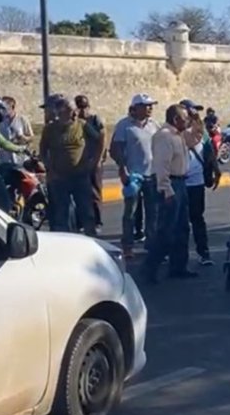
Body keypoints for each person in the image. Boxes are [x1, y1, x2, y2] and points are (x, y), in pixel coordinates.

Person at [150, 103, 206, 281]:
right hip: (171, 183)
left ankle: (179, 266)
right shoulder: (164, 136)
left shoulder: (180, 135)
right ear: (175, 119)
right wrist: (166, 189)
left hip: (182, 182)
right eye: (185, 118)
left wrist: (196, 119)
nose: (187, 121)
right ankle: (149, 269)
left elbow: (197, 138)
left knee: (182, 228)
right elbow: (161, 165)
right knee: (167, 230)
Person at [40, 95, 101, 236]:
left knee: (86, 211)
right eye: (69, 110)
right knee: (62, 212)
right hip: (59, 177)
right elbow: (43, 150)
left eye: (75, 110)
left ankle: (91, 237)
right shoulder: (50, 129)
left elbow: (99, 138)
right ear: (60, 112)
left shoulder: (82, 125)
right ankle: (64, 239)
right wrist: (49, 167)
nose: (74, 114)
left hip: (80, 175)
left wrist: (94, 161)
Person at [110, 94, 160, 256]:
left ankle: (152, 245)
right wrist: (122, 168)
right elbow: (115, 149)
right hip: (133, 175)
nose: (150, 108)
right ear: (136, 108)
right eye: (146, 105)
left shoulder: (154, 125)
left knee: (153, 212)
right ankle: (128, 246)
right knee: (130, 213)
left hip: (152, 174)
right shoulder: (124, 126)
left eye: (151, 105)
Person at [183, 100, 221, 266]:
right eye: (192, 110)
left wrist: (216, 171)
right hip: (179, 182)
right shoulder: (175, 131)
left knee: (197, 218)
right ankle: (178, 255)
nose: (195, 113)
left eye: (196, 111)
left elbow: (209, 153)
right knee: (179, 222)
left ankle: (204, 252)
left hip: (196, 182)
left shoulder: (201, 132)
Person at [75, 95, 107, 232]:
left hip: (93, 160)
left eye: (84, 107)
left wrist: (98, 159)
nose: (82, 110)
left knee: (95, 192)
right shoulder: (73, 122)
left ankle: (97, 221)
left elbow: (100, 138)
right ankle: (80, 221)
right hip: (78, 162)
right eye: (79, 107)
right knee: (79, 193)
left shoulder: (94, 120)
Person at [0, 96, 36, 167]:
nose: (2, 111)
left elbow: (32, 138)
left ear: (12, 107)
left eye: (4, 108)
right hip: (4, 160)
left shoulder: (22, 120)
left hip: (21, 159)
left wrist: (23, 138)